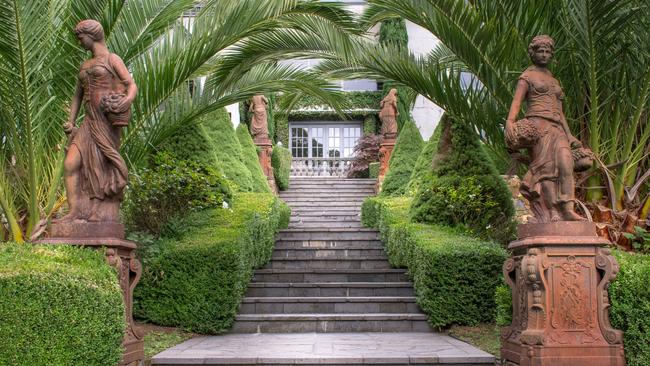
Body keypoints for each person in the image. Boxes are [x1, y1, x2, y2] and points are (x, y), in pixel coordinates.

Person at [58, 19, 137, 222]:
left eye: (80, 38)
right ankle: (74, 211)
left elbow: (131, 85)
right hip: (88, 121)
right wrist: (71, 121)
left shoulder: (112, 59)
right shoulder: (85, 65)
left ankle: (96, 210)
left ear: (92, 36)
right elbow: (77, 95)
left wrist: (125, 102)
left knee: (99, 165)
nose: (79, 42)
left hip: (105, 121)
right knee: (70, 164)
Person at [505, 35, 583, 222]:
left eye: (548, 52)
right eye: (540, 51)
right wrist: (510, 122)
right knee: (546, 170)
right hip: (538, 127)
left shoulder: (554, 80)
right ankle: (551, 212)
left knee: (565, 165)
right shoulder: (527, 76)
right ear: (532, 53)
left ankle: (568, 208)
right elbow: (516, 102)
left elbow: (560, 111)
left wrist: (570, 135)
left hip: (557, 129)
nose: (544, 55)